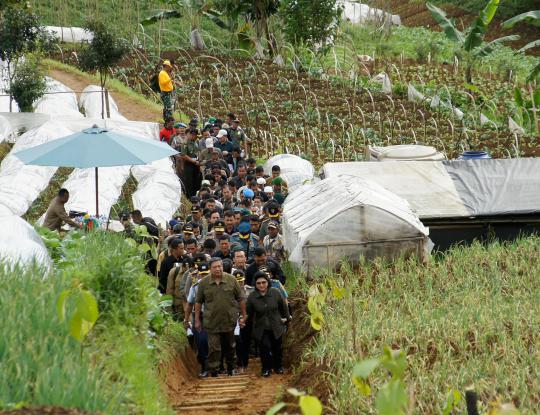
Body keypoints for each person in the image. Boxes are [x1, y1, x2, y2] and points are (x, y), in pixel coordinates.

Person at [195, 258, 247, 377]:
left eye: (220, 266)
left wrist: (244, 315)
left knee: (230, 345)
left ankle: (231, 368)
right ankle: (214, 370)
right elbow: (198, 302)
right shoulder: (204, 283)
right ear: (210, 269)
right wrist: (197, 320)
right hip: (211, 321)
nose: (218, 269)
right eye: (215, 267)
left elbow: (240, 298)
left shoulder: (231, 280)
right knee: (214, 348)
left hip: (229, 319)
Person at [246, 271, 290, 377]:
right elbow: (249, 313)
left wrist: (287, 318)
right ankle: (266, 368)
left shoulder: (275, 292)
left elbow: (283, 307)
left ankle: (278, 366)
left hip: (276, 325)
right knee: (264, 347)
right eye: (258, 283)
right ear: (255, 284)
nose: (261, 285)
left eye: (263, 282)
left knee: (277, 347)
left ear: (268, 282)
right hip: (261, 327)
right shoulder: (252, 297)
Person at [185, 262, 211, 377]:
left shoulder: (217, 285)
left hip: (215, 317)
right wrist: (186, 319)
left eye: (206, 274)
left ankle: (219, 366)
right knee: (201, 341)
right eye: (202, 274)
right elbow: (190, 304)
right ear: (199, 275)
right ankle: (204, 367)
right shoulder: (195, 287)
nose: (204, 276)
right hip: (200, 316)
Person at [181, 128, 202, 197]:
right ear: (192, 135)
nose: (196, 137)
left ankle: (196, 196)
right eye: (195, 136)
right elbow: (184, 155)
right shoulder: (185, 143)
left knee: (197, 181)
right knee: (189, 182)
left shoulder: (196, 142)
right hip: (189, 164)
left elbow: (198, 151)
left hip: (196, 164)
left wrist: (198, 159)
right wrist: (193, 161)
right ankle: (190, 197)